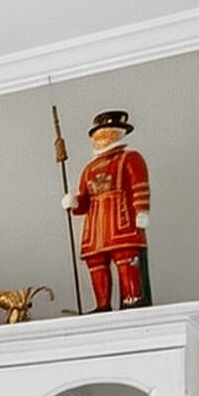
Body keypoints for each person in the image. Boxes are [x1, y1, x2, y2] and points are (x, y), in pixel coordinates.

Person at [65, 110, 152, 310]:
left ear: (119, 133)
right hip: (96, 225)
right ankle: (102, 304)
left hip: (121, 219)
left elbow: (139, 186)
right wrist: (74, 202)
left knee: (126, 257)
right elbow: (84, 201)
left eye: (107, 132)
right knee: (96, 261)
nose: (102, 137)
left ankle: (132, 299)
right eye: (99, 133)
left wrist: (141, 211)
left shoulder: (130, 158)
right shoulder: (89, 168)